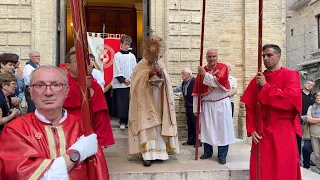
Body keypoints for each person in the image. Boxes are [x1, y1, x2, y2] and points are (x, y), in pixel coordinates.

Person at [0, 65, 109, 179]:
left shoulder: (83, 128)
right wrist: (77, 153)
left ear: (66, 90)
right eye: (40, 85)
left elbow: (98, 174)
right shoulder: (16, 130)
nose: (48, 92)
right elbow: (19, 175)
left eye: (56, 85)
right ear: (31, 92)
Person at [241, 44, 302, 180]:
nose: (266, 59)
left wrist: (266, 87)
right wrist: (252, 128)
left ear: (278, 56)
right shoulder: (258, 79)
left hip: (283, 129)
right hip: (262, 131)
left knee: (284, 168)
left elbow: (289, 103)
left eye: (269, 55)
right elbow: (250, 106)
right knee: (263, 170)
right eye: (263, 56)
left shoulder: (291, 75)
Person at [128, 35, 179, 167]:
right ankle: (147, 154)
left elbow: (167, 82)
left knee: (160, 125)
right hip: (145, 103)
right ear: (146, 52)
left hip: (159, 102)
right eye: (150, 52)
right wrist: (148, 74)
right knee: (148, 126)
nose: (152, 54)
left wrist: (161, 74)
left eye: (155, 52)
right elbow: (135, 84)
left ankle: (161, 153)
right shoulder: (140, 65)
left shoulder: (161, 64)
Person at [192, 49, 235, 164]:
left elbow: (217, 83)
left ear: (217, 56)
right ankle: (207, 152)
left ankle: (222, 155)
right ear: (206, 57)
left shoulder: (223, 67)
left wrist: (204, 75)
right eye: (209, 56)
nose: (212, 59)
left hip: (221, 104)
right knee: (207, 129)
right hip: (207, 105)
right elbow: (196, 91)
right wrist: (196, 108)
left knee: (222, 130)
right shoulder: (203, 70)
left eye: (214, 56)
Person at [63, 51, 114, 147]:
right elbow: (62, 102)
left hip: (89, 134)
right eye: (77, 62)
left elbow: (100, 114)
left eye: (83, 62)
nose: (82, 65)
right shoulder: (61, 82)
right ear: (68, 65)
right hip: (67, 133)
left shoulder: (94, 85)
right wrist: (81, 87)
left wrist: (100, 140)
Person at [112, 35, 137, 130]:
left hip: (130, 83)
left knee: (130, 103)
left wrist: (130, 78)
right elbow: (117, 69)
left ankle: (129, 121)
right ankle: (122, 121)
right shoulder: (117, 56)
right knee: (122, 103)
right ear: (121, 44)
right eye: (125, 44)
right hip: (121, 84)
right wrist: (123, 79)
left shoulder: (132, 56)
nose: (127, 46)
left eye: (128, 44)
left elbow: (135, 69)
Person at [173, 67, 201, 147]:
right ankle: (190, 140)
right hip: (188, 106)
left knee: (196, 124)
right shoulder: (183, 83)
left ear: (188, 74)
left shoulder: (194, 81)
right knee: (190, 124)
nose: (182, 75)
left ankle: (197, 141)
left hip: (194, 106)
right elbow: (176, 89)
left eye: (183, 74)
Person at [299, 80, 316, 169]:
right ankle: (297, 160)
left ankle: (307, 160)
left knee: (308, 143)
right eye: (308, 83)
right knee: (297, 141)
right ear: (304, 84)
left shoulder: (313, 96)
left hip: (309, 122)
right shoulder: (298, 94)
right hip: (298, 121)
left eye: (312, 85)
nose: (309, 86)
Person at [307, 91, 320, 172]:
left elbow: (312, 120)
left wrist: (314, 120)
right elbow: (309, 119)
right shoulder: (311, 107)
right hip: (314, 134)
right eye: (317, 96)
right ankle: (319, 169)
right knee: (317, 154)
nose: (318, 97)